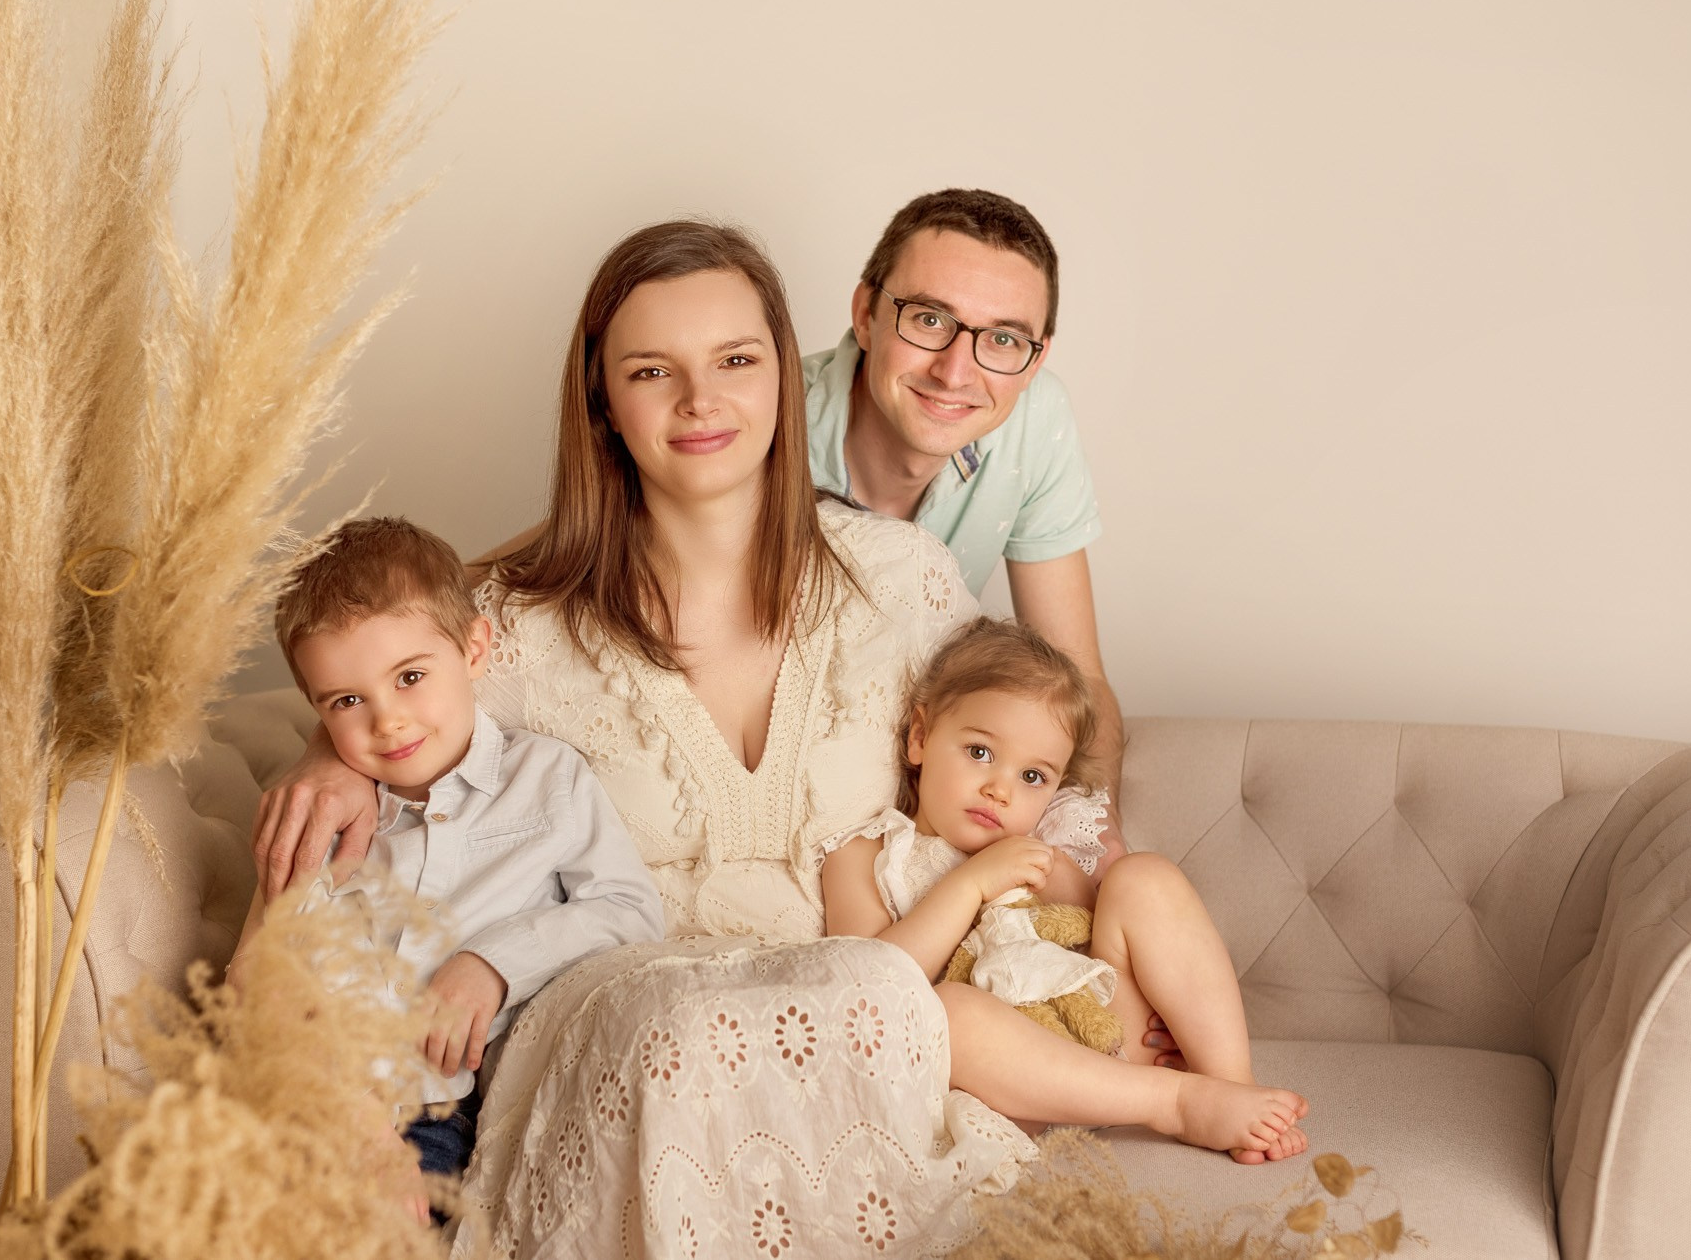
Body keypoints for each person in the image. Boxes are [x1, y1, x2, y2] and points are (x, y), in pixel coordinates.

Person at [253, 220, 1139, 1255]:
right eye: (650, 371)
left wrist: (1104, 931)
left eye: (734, 361)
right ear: (603, 402)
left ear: (785, 374)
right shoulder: (515, 635)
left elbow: (1033, 761)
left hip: (845, 1025)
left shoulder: (900, 583)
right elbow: (366, 739)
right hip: (615, 1030)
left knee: (865, 982)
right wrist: (334, 749)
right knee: (684, 1034)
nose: (700, 400)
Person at [234, 515, 664, 1221]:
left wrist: (493, 963)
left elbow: (630, 911)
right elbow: (268, 976)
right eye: (347, 701)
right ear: (317, 711)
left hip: (443, 1117)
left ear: (473, 649)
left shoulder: (546, 779)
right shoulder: (332, 815)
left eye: (409, 677)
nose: (388, 721)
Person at [820, 617, 1309, 1164]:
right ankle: (1173, 1101)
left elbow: (1101, 945)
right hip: (1003, 1076)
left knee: (1142, 878)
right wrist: (972, 883)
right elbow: (872, 986)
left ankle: (1229, 1087)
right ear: (920, 736)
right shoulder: (865, 853)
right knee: (951, 1012)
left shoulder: (1038, 852)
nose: (999, 789)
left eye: (1033, 777)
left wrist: (1162, 1007)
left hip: (1098, 1044)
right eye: (980, 752)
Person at [806, 189, 1130, 820]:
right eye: (929, 319)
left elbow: (1080, 679)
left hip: (937, 788)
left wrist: (1091, 842)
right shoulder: (761, 421)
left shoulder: (1036, 420)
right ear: (866, 314)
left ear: (1035, 361)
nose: (956, 373)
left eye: (1004, 339)